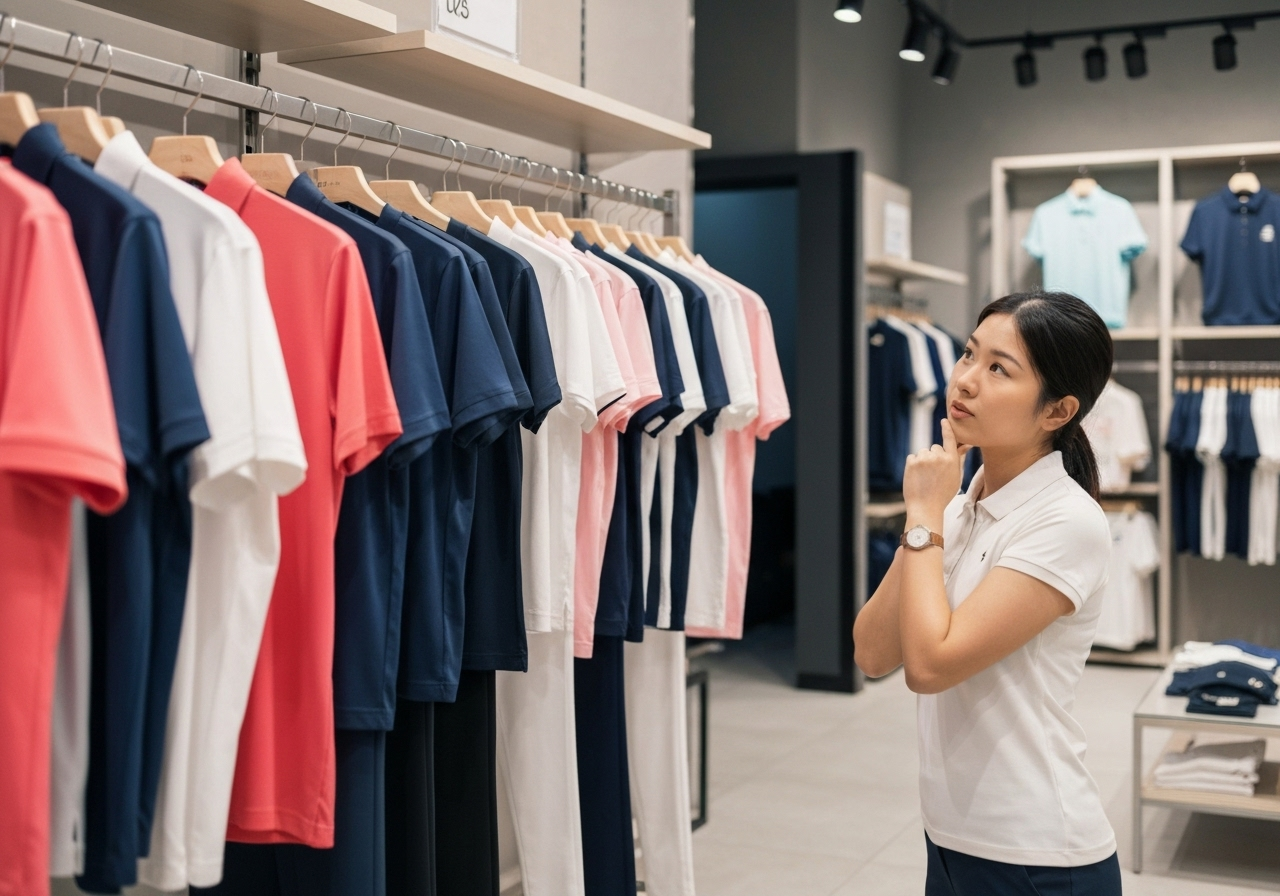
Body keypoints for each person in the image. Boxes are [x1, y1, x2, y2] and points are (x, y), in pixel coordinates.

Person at [853, 291, 1123, 895]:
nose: (966, 381)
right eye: (969, 354)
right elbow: (872, 654)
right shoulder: (959, 502)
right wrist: (932, 514)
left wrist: (923, 514)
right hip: (950, 837)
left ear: (1057, 412)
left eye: (999, 368)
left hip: (1037, 855)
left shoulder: (1066, 522)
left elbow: (928, 666)